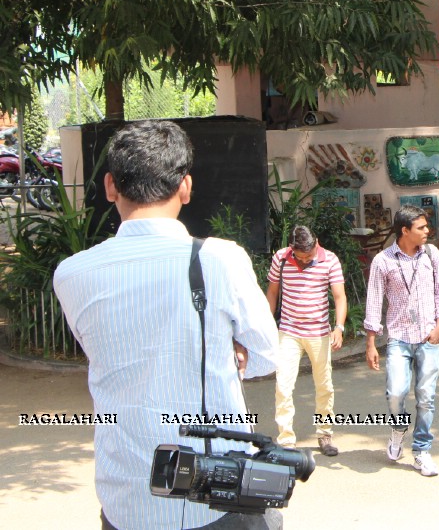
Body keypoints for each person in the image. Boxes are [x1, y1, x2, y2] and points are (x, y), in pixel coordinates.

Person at [54, 120, 279, 530]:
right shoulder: (220, 260)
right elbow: (265, 357)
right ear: (186, 186)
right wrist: (227, 353)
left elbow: (104, 350)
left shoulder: (72, 274)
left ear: (110, 187)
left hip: (127, 496)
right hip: (217, 493)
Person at [364, 205, 439, 477]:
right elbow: (374, 301)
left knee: (426, 398)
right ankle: (397, 429)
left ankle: (422, 451)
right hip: (399, 338)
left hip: (429, 336)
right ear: (405, 231)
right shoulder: (383, 261)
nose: (428, 231)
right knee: (396, 393)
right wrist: (370, 343)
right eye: (422, 228)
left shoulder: (432, 254)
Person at [267, 225, 346, 456]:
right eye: (300, 256)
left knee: (324, 386)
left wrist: (339, 327)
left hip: (319, 333)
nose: (305, 260)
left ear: (316, 244)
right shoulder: (281, 258)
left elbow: (340, 297)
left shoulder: (329, 260)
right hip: (289, 331)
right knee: (283, 386)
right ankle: (286, 440)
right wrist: (266, 324)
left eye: (309, 255)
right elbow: (272, 293)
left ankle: (324, 433)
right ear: (292, 249)